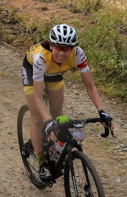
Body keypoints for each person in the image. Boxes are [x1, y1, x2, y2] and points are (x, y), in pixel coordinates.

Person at [22, 23, 113, 182]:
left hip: (55, 73)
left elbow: (90, 86)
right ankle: (42, 162)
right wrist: (47, 120)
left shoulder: (78, 54)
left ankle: (53, 148)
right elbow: (37, 97)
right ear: (51, 45)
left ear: (73, 48)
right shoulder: (40, 57)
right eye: (58, 47)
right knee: (37, 117)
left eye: (67, 48)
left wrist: (102, 111)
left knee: (58, 114)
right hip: (33, 72)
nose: (63, 53)